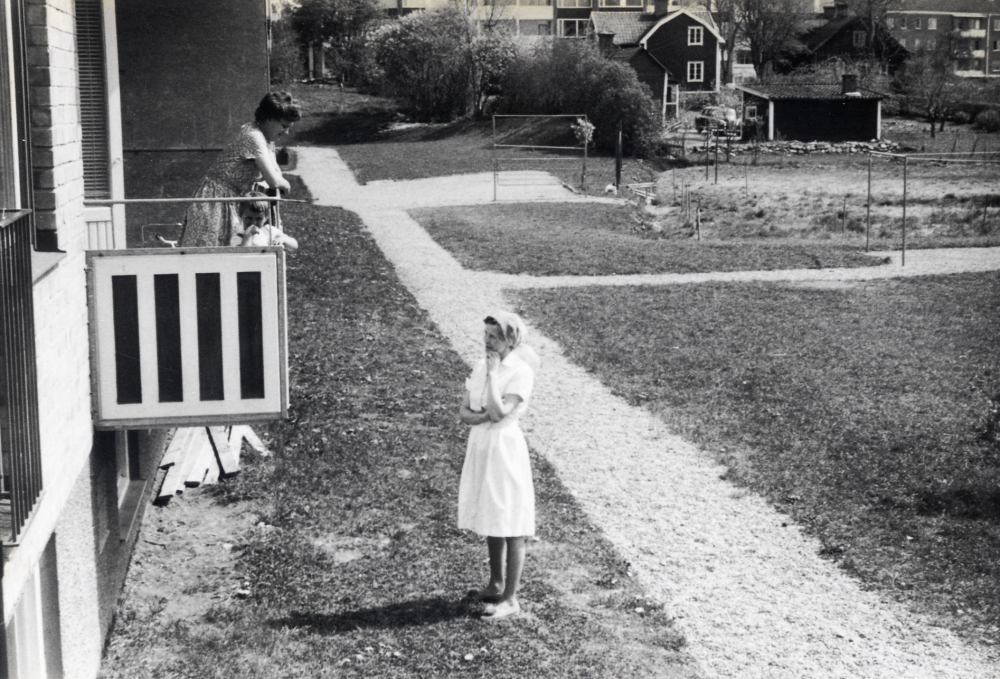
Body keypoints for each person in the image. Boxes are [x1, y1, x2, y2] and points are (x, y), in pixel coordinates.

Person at [458, 311, 540, 621]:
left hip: (505, 449)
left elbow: (499, 412)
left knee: (511, 521)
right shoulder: (480, 365)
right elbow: (464, 411)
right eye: (485, 335)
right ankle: (495, 583)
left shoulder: (520, 372)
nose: (487, 341)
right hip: (481, 444)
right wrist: (482, 416)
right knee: (492, 513)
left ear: (511, 340)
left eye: (494, 337)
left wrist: (494, 376)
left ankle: (510, 598)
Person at [178, 92, 301, 247]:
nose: (286, 132)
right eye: (284, 126)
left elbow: (276, 172)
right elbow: (274, 181)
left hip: (228, 199)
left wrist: (279, 180)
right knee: (208, 252)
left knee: (230, 251)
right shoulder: (253, 136)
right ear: (270, 119)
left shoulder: (266, 138)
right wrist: (286, 185)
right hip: (214, 200)